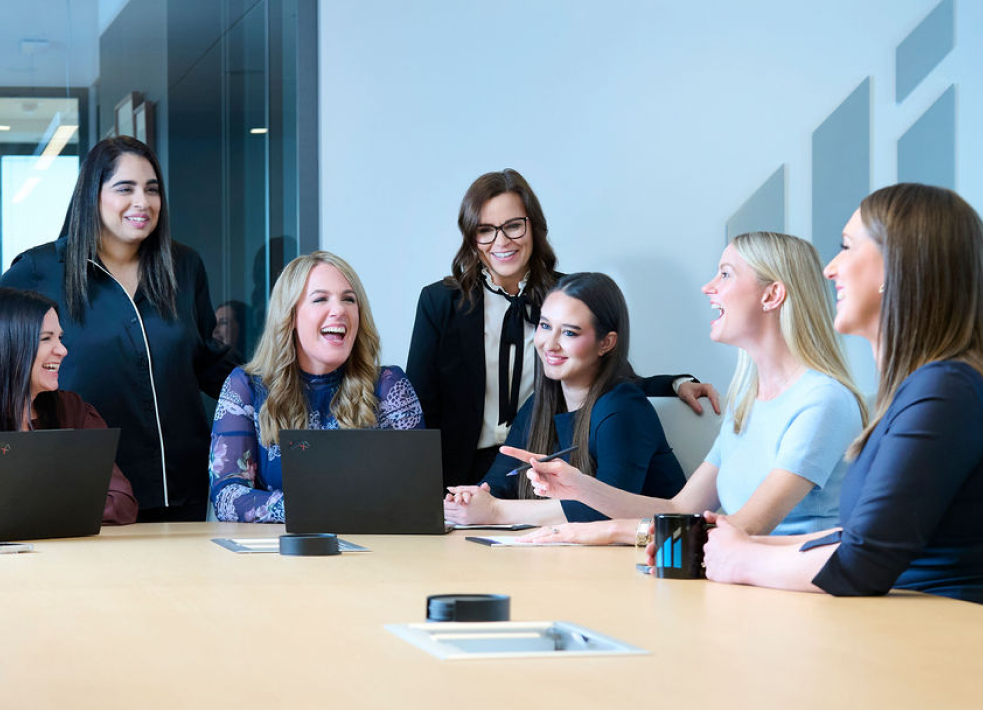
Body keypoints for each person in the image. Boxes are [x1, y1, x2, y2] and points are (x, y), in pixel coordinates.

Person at [646, 184, 983, 611]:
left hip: (959, 644)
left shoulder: (947, 393)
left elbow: (862, 561)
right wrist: (732, 543)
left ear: (896, 267)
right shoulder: (935, 388)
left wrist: (741, 558)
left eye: (846, 248)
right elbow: (860, 537)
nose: (829, 269)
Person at [509, 232, 867, 546]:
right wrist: (579, 487)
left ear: (772, 295)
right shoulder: (748, 400)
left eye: (725, 274)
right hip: (745, 585)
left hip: (798, 597)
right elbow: (679, 508)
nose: (709, 286)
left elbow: (744, 529)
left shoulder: (823, 401)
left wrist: (613, 531)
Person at [406, 168, 719, 488]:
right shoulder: (440, 301)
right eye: (486, 230)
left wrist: (675, 385)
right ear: (473, 238)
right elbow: (417, 409)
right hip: (455, 472)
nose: (501, 241)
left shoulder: (565, 296)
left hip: (545, 464)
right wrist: (419, 490)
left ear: (534, 227)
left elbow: (610, 375)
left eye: (514, 226)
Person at [1, 136, 236, 521]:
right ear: (93, 195)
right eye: (125, 188)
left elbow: (207, 359)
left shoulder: (184, 265)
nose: (142, 202)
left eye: (152, 189)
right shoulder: (39, 269)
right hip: (86, 485)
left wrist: (282, 386)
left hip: (179, 483)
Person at [443, 272, 686, 526]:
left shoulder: (624, 408)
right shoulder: (540, 403)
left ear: (606, 343)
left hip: (657, 556)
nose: (550, 344)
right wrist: (470, 500)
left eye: (569, 333)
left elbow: (604, 510)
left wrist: (495, 511)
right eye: (545, 326)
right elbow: (498, 484)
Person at [210, 251, 424, 523]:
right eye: (320, 299)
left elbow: (417, 491)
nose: (339, 310)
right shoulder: (246, 386)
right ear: (290, 316)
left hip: (372, 556)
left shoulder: (388, 386)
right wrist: (317, 507)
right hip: (278, 557)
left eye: (349, 299)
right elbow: (227, 497)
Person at [0, 287, 137, 525]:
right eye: (45, 339)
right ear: (9, 343)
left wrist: (27, 510)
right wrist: (66, 505)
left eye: (60, 338)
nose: (62, 350)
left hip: (65, 558)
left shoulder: (73, 411)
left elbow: (121, 502)